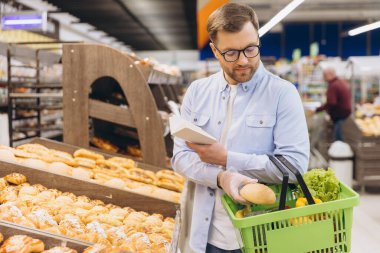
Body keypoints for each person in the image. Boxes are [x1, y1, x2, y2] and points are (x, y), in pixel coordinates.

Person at [171, 3, 309, 253]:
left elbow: (295, 164)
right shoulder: (197, 92)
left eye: (250, 49)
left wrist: (228, 159)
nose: (244, 60)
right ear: (214, 50)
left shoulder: (282, 94)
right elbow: (180, 157)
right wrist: (221, 177)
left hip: (260, 236)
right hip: (204, 236)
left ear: (257, 39)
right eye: (231, 53)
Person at [316, 67, 352, 141]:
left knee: (338, 137)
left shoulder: (333, 85)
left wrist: (319, 109)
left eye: (324, 75)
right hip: (345, 112)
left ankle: (339, 150)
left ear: (329, 75)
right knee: (340, 133)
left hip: (339, 114)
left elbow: (331, 103)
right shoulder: (340, 82)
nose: (324, 77)